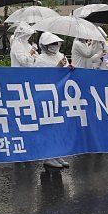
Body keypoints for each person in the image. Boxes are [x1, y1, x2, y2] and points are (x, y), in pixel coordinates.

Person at [33, 32, 70, 169]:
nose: (55, 46)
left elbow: (65, 73)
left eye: (56, 43)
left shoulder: (61, 56)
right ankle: (47, 156)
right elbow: (40, 78)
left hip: (60, 95)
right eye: (51, 43)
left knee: (59, 126)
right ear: (45, 45)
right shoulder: (40, 59)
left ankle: (57, 153)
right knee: (48, 126)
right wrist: (58, 68)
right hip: (46, 97)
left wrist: (69, 68)